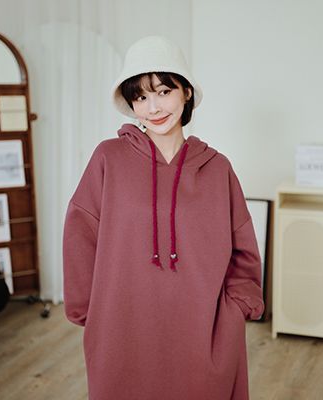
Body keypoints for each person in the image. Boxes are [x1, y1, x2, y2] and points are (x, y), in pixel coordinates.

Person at [63, 35, 265, 400]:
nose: (153, 107)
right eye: (141, 97)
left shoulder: (217, 168)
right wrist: (90, 311)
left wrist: (237, 308)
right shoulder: (108, 158)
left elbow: (243, 248)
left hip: (204, 331)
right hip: (122, 328)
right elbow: (81, 234)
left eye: (163, 91)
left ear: (186, 92)